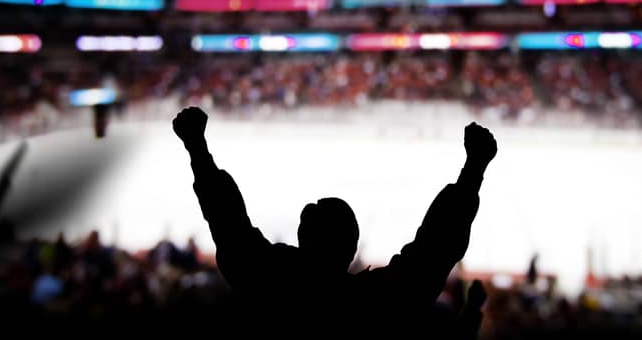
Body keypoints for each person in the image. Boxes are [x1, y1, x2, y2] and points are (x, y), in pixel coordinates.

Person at [172, 106, 498, 338]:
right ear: (352, 248)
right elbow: (432, 255)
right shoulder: (373, 306)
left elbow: (228, 224)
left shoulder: (266, 283)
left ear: (301, 238)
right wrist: (474, 169)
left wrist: (197, 148)